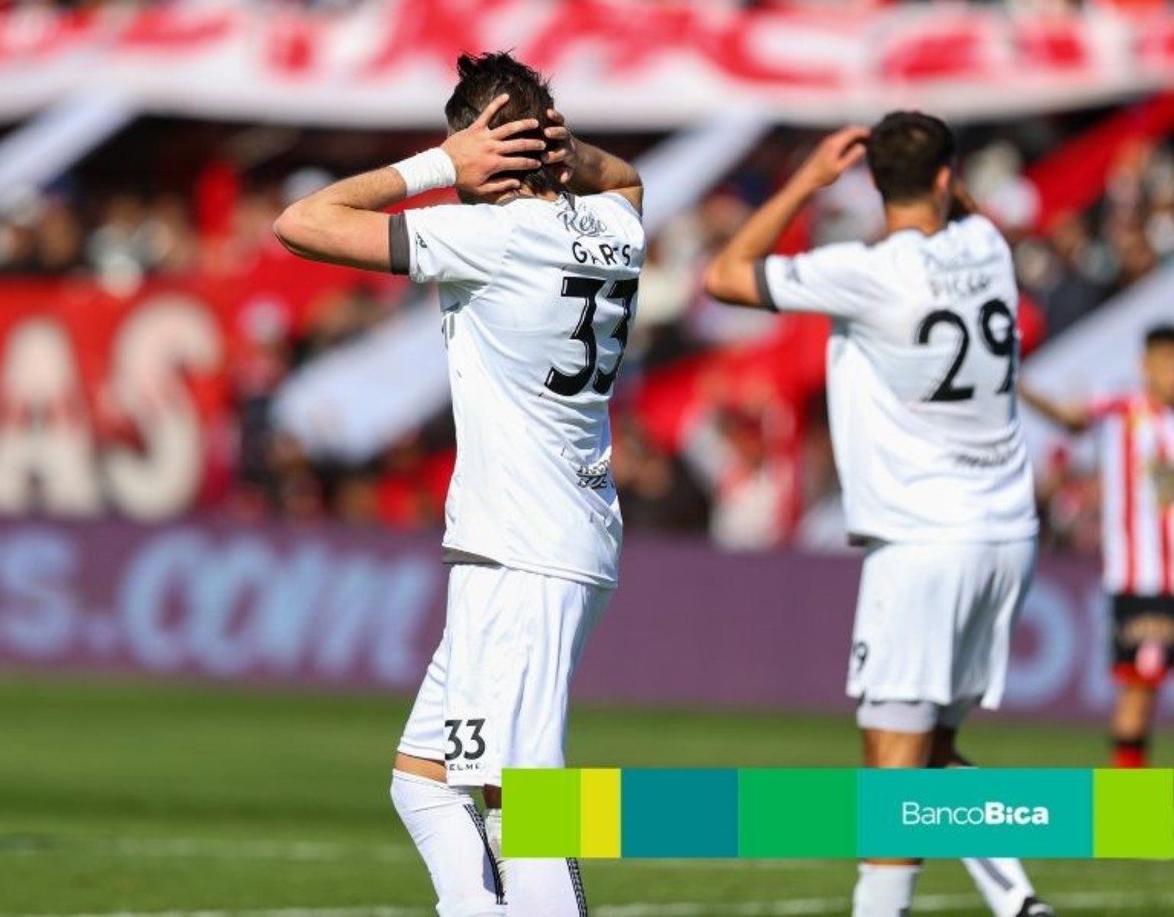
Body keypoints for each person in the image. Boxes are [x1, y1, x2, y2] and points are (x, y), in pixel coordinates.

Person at [274, 51, 644, 917]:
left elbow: (300, 223)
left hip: (521, 549)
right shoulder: (615, 226)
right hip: (547, 536)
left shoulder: (491, 237)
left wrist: (440, 166)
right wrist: (564, 152)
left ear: (482, 144)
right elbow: (625, 179)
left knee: (527, 802)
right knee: (423, 781)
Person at [704, 113, 1053, 917]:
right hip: (1006, 530)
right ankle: (1017, 902)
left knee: (890, 756)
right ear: (947, 176)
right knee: (928, 750)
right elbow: (960, 209)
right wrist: (937, 175)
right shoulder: (988, 247)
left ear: (870, 182)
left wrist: (805, 180)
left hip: (923, 538)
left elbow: (725, 273)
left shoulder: (862, 271)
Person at [1022, 324, 1174, 769]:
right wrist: (1016, 382)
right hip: (1143, 581)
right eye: (1166, 362)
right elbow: (1068, 418)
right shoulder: (1123, 410)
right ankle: (1127, 802)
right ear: (1145, 365)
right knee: (1139, 690)